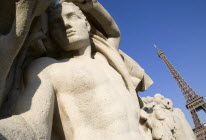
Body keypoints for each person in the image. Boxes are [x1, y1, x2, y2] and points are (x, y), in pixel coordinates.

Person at [0, 1, 153, 139]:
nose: (66, 25)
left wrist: (89, 4)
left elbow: (113, 31)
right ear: (52, 35)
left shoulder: (106, 58)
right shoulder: (48, 68)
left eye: (71, 16)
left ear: (86, 24)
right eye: (56, 23)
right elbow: (31, 125)